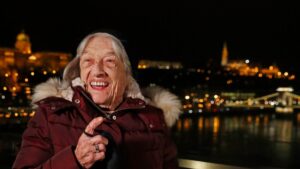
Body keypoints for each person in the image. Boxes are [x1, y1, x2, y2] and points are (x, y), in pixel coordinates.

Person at [12, 32, 182, 169]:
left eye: (109, 61)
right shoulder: (50, 115)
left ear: (127, 72)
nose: (97, 71)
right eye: (88, 61)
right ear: (78, 69)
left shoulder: (154, 119)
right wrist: (75, 160)